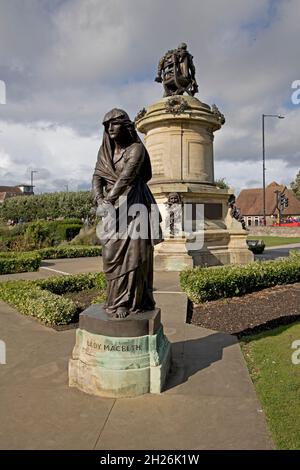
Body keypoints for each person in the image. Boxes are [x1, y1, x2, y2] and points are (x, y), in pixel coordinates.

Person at [92, 108, 162, 319]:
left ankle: (128, 302)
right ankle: (114, 299)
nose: (110, 128)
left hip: (135, 207)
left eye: (114, 124)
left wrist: (108, 200)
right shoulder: (105, 151)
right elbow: (97, 176)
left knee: (134, 255)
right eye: (107, 125)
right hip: (113, 210)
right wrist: (98, 199)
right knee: (111, 254)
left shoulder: (136, 149)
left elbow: (126, 178)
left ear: (126, 126)